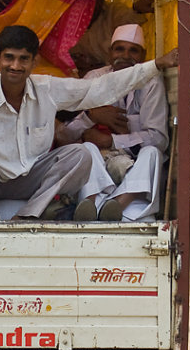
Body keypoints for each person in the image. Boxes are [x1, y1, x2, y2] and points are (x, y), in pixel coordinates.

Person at [0, 24, 178, 222]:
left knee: (81, 154)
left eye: (24, 59)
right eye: (8, 58)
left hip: (31, 178)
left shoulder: (47, 88)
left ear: (34, 62)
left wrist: (155, 65)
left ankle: (28, 217)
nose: (15, 66)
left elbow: (99, 89)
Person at [63, 23, 171, 221]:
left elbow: (159, 138)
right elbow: (66, 135)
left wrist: (110, 141)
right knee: (86, 148)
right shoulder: (94, 79)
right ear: (110, 52)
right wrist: (91, 118)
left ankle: (117, 206)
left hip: (133, 168)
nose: (126, 55)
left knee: (153, 152)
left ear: (143, 55)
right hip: (98, 169)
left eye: (133, 50)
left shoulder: (151, 82)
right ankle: (92, 203)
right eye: (119, 48)